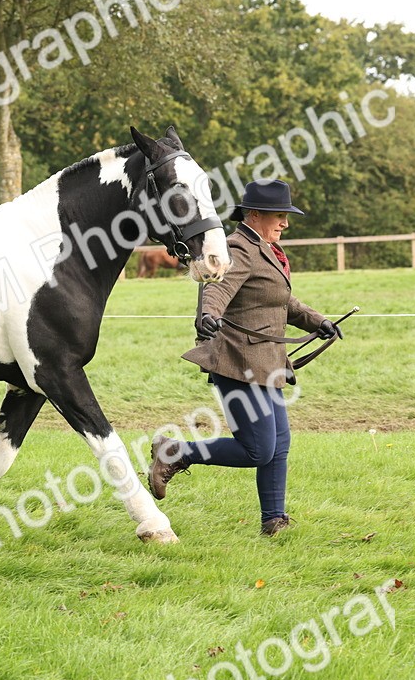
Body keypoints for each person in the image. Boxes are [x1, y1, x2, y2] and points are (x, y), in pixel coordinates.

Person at [147, 179, 343, 536]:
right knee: (257, 450)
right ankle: (175, 452)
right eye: (279, 216)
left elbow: (283, 302)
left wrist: (321, 321)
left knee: (279, 444)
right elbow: (218, 287)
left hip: (267, 363)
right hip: (237, 362)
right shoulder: (239, 246)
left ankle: (274, 520)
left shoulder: (266, 249)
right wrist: (209, 314)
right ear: (255, 214)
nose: (285, 223)